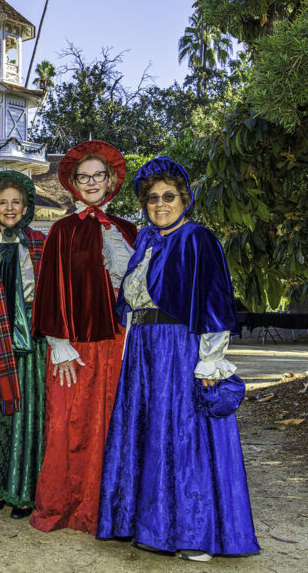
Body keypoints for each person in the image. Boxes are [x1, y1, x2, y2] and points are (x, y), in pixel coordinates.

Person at [97, 157, 260, 561]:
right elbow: (134, 301)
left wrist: (210, 360)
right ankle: (148, 524)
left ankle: (193, 533)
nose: (160, 204)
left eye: (169, 196)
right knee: (149, 434)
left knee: (184, 436)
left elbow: (215, 301)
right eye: (152, 198)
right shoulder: (148, 241)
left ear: (184, 198)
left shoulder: (197, 238)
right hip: (145, 350)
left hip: (179, 346)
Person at [30, 140, 137, 535]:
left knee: (109, 425)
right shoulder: (62, 229)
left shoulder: (129, 230)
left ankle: (101, 508)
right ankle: (62, 506)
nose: (92, 183)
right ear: (73, 183)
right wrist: (58, 342)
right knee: (66, 425)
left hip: (119, 343)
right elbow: (49, 290)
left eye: (98, 176)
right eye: (84, 177)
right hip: (73, 344)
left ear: (110, 180)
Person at [0, 171, 47, 519]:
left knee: (26, 414)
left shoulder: (39, 244)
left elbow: (52, 294)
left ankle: (24, 492)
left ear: (26, 205)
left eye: (16, 201)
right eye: (3, 202)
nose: (10, 208)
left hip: (31, 339)